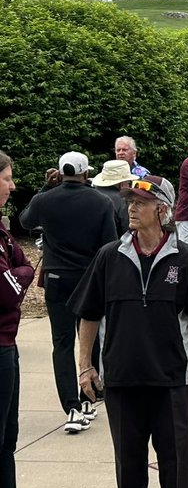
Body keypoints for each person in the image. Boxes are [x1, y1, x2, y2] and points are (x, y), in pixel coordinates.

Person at [72, 175, 188, 488]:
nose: (131, 209)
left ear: (163, 210)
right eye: (129, 202)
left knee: (176, 453)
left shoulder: (187, 259)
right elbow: (88, 315)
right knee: (128, 454)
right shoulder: (109, 256)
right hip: (121, 375)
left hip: (172, 376)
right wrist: (85, 366)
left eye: (140, 202)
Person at [0, 151, 67, 488]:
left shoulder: (3, 231)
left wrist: (18, 272)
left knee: (6, 443)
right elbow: (9, 288)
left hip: (7, 344)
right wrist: (20, 273)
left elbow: (18, 269)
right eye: (6, 178)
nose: (11, 186)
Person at [18, 151, 118, 434]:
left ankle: (71, 407)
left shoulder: (45, 200)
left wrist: (45, 188)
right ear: (87, 173)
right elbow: (109, 244)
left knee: (61, 343)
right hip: (88, 279)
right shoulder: (100, 201)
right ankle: (89, 396)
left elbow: (25, 221)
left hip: (57, 278)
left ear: (60, 172)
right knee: (91, 338)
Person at [92, 159, 137, 236]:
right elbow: (128, 231)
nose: (129, 186)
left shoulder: (89, 195)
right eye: (129, 182)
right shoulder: (123, 201)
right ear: (122, 184)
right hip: (113, 246)